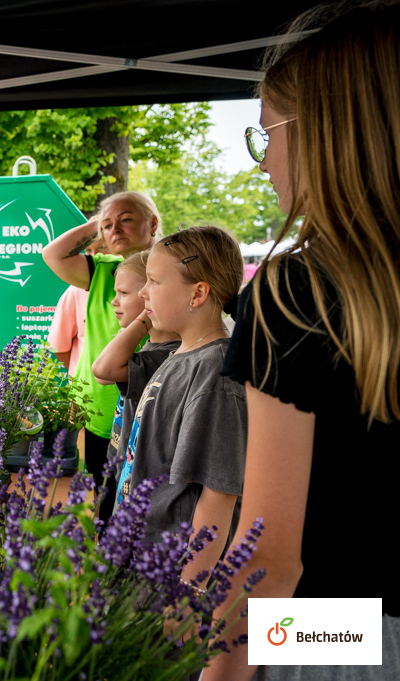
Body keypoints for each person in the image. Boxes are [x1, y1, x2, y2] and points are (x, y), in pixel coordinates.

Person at [211, 4, 400, 679]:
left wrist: (219, 670)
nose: (264, 163)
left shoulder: (297, 292)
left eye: (268, 134)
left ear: (327, 133)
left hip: (346, 633)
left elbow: (270, 557)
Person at [122, 225, 246, 585]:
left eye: (154, 281)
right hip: (141, 559)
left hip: (170, 576)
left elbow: (217, 494)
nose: (143, 292)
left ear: (198, 293)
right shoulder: (181, 353)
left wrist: (189, 593)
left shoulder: (215, 373)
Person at [42, 191, 161, 521]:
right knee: (105, 496)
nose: (115, 230)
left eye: (126, 219)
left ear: (153, 223)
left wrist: (110, 218)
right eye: (108, 226)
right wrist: (101, 221)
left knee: (147, 500)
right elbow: (52, 255)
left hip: (151, 403)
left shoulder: (171, 270)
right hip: (100, 406)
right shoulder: (101, 271)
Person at [90, 249, 179, 503]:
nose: (114, 302)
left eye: (124, 293)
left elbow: (103, 370)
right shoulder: (150, 348)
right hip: (123, 471)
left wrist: (144, 318)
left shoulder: (162, 356)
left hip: (138, 485)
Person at [46, 241, 108, 373]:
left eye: (102, 247)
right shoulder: (75, 291)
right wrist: (79, 373)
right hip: (85, 383)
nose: (94, 255)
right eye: (88, 250)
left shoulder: (136, 286)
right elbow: (58, 346)